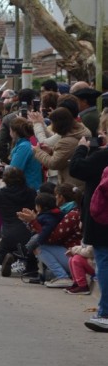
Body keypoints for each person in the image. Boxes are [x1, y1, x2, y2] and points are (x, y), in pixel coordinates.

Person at [68, 132, 108, 332]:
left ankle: (105, 312)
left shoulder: (103, 157)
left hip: (102, 220)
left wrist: (82, 148)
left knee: (104, 262)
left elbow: (76, 168)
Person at [0, 165, 37, 277]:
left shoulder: (2, 194)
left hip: (8, 233)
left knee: (1, 258)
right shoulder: (31, 193)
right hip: (28, 231)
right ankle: (25, 263)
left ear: (5, 180)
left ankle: (12, 257)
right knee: (30, 257)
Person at [32, 107, 90, 189]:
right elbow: (66, 155)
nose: (52, 127)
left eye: (53, 123)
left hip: (70, 184)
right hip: (76, 181)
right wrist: (51, 151)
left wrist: (38, 152)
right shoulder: (75, 132)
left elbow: (54, 163)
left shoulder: (67, 141)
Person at [8, 117, 42, 190]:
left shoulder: (23, 146)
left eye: (10, 130)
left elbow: (13, 171)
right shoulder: (32, 140)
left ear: (14, 132)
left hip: (26, 187)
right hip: (35, 183)